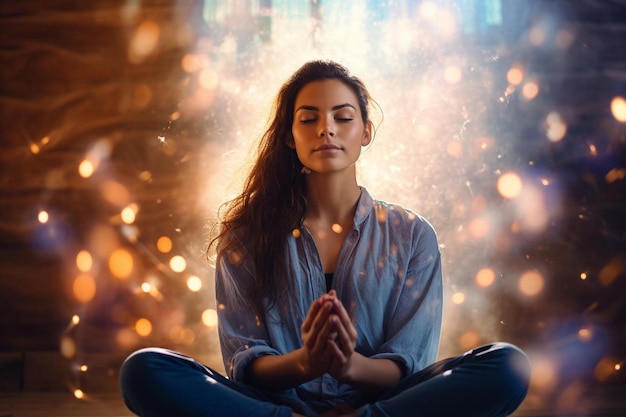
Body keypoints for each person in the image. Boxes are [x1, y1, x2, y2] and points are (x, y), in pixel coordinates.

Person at [120, 60, 530, 417]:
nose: (326, 130)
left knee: (506, 365)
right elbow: (244, 362)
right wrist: (306, 363)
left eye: (343, 117)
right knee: (145, 370)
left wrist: (346, 366)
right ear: (288, 135)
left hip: (388, 405)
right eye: (309, 118)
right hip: (276, 406)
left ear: (366, 132)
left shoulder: (412, 234)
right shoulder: (245, 236)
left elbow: (409, 362)